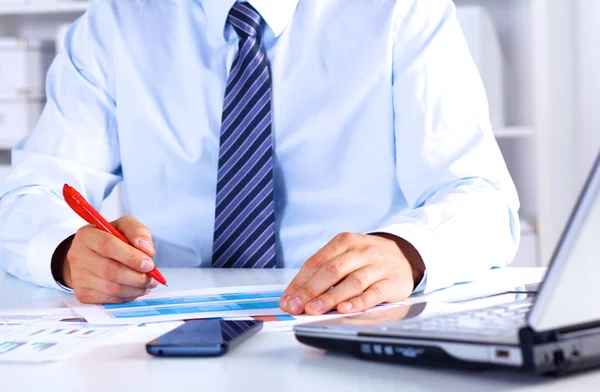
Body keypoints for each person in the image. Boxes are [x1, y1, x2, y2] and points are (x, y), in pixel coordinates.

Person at [0, 0, 520, 316]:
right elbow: (28, 194)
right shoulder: (114, 25)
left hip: (345, 318)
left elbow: (482, 198)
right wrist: (66, 252)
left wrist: (405, 252)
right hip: (160, 327)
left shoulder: (403, 14)